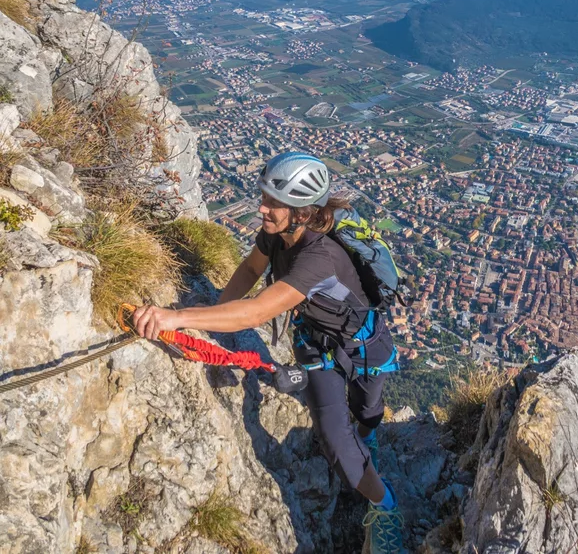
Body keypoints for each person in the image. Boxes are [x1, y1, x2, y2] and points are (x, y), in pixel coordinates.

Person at [132, 151, 404, 553]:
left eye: (274, 203)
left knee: (367, 413)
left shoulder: (320, 258)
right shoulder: (275, 234)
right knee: (335, 440)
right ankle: (386, 507)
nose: (263, 208)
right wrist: (208, 319)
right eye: (265, 197)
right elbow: (248, 272)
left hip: (365, 348)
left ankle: (369, 438)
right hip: (316, 347)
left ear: (302, 211)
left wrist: (177, 317)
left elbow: (258, 311)